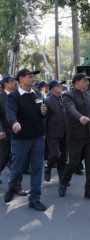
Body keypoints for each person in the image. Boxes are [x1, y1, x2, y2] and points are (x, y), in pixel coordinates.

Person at [4, 68, 48, 212]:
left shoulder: (36, 94)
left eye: (33, 77)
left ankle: (34, 199)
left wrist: (43, 113)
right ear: (20, 79)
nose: (32, 78)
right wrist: (14, 123)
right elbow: (10, 112)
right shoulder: (13, 96)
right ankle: (12, 187)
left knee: (37, 169)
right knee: (17, 169)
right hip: (21, 139)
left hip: (38, 138)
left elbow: (40, 113)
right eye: (29, 76)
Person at [58, 73, 90, 200]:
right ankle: (63, 182)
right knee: (74, 162)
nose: (87, 83)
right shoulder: (68, 95)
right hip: (75, 136)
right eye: (84, 81)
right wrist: (80, 117)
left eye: (87, 81)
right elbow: (70, 109)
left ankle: (89, 190)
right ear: (76, 82)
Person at [43, 80, 67, 183]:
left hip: (65, 132)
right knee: (55, 154)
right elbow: (44, 118)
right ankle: (48, 168)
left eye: (61, 86)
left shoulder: (63, 99)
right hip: (52, 133)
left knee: (64, 157)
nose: (61, 87)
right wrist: (45, 133)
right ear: (52, 89)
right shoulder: (47, 101)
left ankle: (62, 179)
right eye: (58, 86)